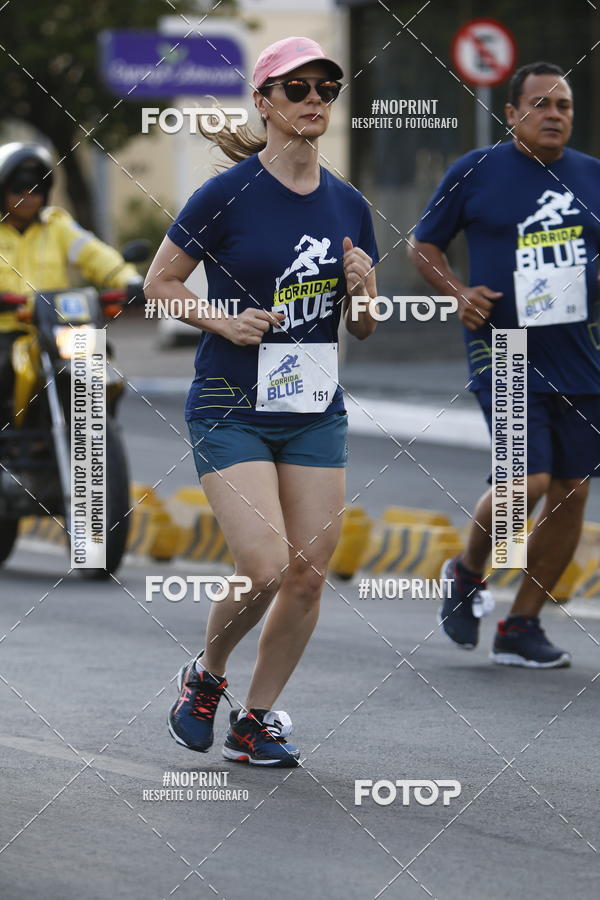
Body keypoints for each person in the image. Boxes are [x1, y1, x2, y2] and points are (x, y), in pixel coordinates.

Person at [145, 37, 379, 766]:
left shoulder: (350, 204)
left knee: (309, 572)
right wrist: (222, 319)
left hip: (313, 405)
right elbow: (159, 286)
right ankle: (206, 676)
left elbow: (363, 325)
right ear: (266, 102)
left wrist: (367, 295)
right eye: (299, 88)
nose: (315, 100)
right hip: (229, 400)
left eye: (326, 89)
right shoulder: (226, 195)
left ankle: (258, 718)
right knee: (266, 565)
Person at [408, 61, 600, 668]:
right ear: (512, 113)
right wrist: (458, 292)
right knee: (528, 482)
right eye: (540, 104)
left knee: (570, 493)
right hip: (506, 349)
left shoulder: (594, 177)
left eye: (563, 105)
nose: (553, 115)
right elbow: (423, 244)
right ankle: (468, 572)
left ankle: (520, 626)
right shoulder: (478, 171)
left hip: (582, 355)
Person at [0, 141, 142, 422]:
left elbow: (97, 256)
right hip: (9, 331)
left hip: (59, 329)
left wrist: (131, 281)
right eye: (18, 187)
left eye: (36, 188)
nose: (28, 196)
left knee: (103, 364)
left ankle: (97, 435)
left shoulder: (57, 225)